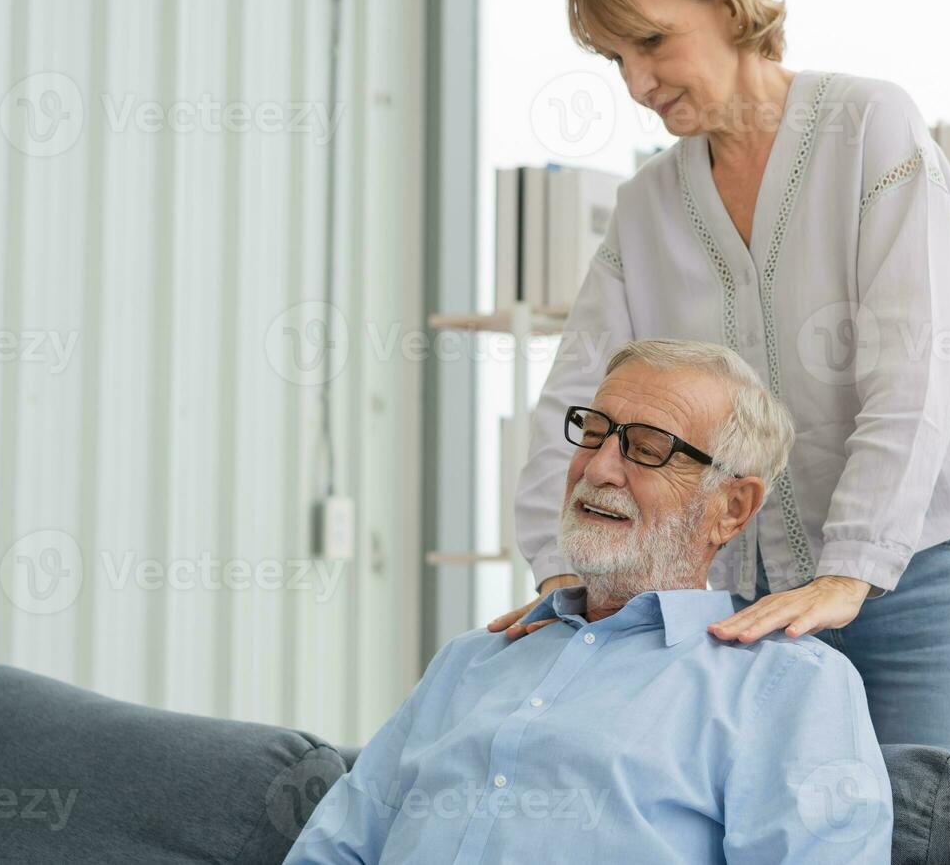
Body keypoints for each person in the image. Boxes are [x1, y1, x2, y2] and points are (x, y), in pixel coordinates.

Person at [488, 0, 950, 779]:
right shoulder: (647, 208)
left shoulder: (870, 128)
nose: (635, 83)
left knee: (939, 832)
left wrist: (851, 568)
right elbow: (579, 397)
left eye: (653, 41)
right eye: (614, 57)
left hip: (936, 576)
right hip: (748, 597)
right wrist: (564, 570)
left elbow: (912, 368)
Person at [284, 339, 893, 864]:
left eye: (649, 447)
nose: (599, 467)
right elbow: (337, 847)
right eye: (596, 432)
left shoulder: (788, 686)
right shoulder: (471, 661)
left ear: (731, 508)